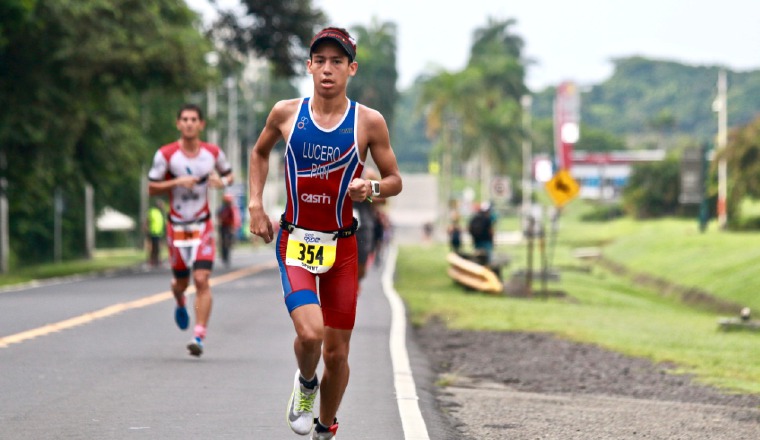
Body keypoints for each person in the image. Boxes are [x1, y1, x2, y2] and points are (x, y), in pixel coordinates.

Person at [247, 27, 402, 439]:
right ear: (309, 66)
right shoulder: (286, 114)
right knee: (311, 334)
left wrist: (370, 188)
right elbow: (259, 152)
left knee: (337, 353)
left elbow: (394, 180)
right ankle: (305, 383)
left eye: (337, 61)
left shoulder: (368, 122)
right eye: (320, 61)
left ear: (351, 69)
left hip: (343, 249)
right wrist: (255, 204)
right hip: (295, 240)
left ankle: (326, 427)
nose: (328, 69)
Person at [147, 103, 234, 357]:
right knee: (180, 283)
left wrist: (222, 182)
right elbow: (151, 188)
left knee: (202, 279)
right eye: (184, 119)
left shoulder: (212, 153)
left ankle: (199, 336)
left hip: (202, 224)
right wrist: (177, 181)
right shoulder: (166, 155)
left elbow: (229, 176)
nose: (188, 123)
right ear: (178, 124)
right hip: (176, 227)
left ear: (201, 124)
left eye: (193, 119)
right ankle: (179, 300)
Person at [217, 193, 239, 267]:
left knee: (228, 242)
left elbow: (234, 218)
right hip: (223, 227)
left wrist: (233, 227)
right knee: (223, 242)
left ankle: (227, 256)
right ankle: (223, 256)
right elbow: (218, 217)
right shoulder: (221, 208)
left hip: (229, 227)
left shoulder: (231, 209)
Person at [145, 199, 166, 267]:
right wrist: (146, 228)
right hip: (153, 232)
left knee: (158, 247)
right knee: (153, 247)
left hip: (159, 233)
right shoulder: (152, 211)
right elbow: (147, 220)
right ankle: (152, 260)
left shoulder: (160, 213)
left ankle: (156, 260)